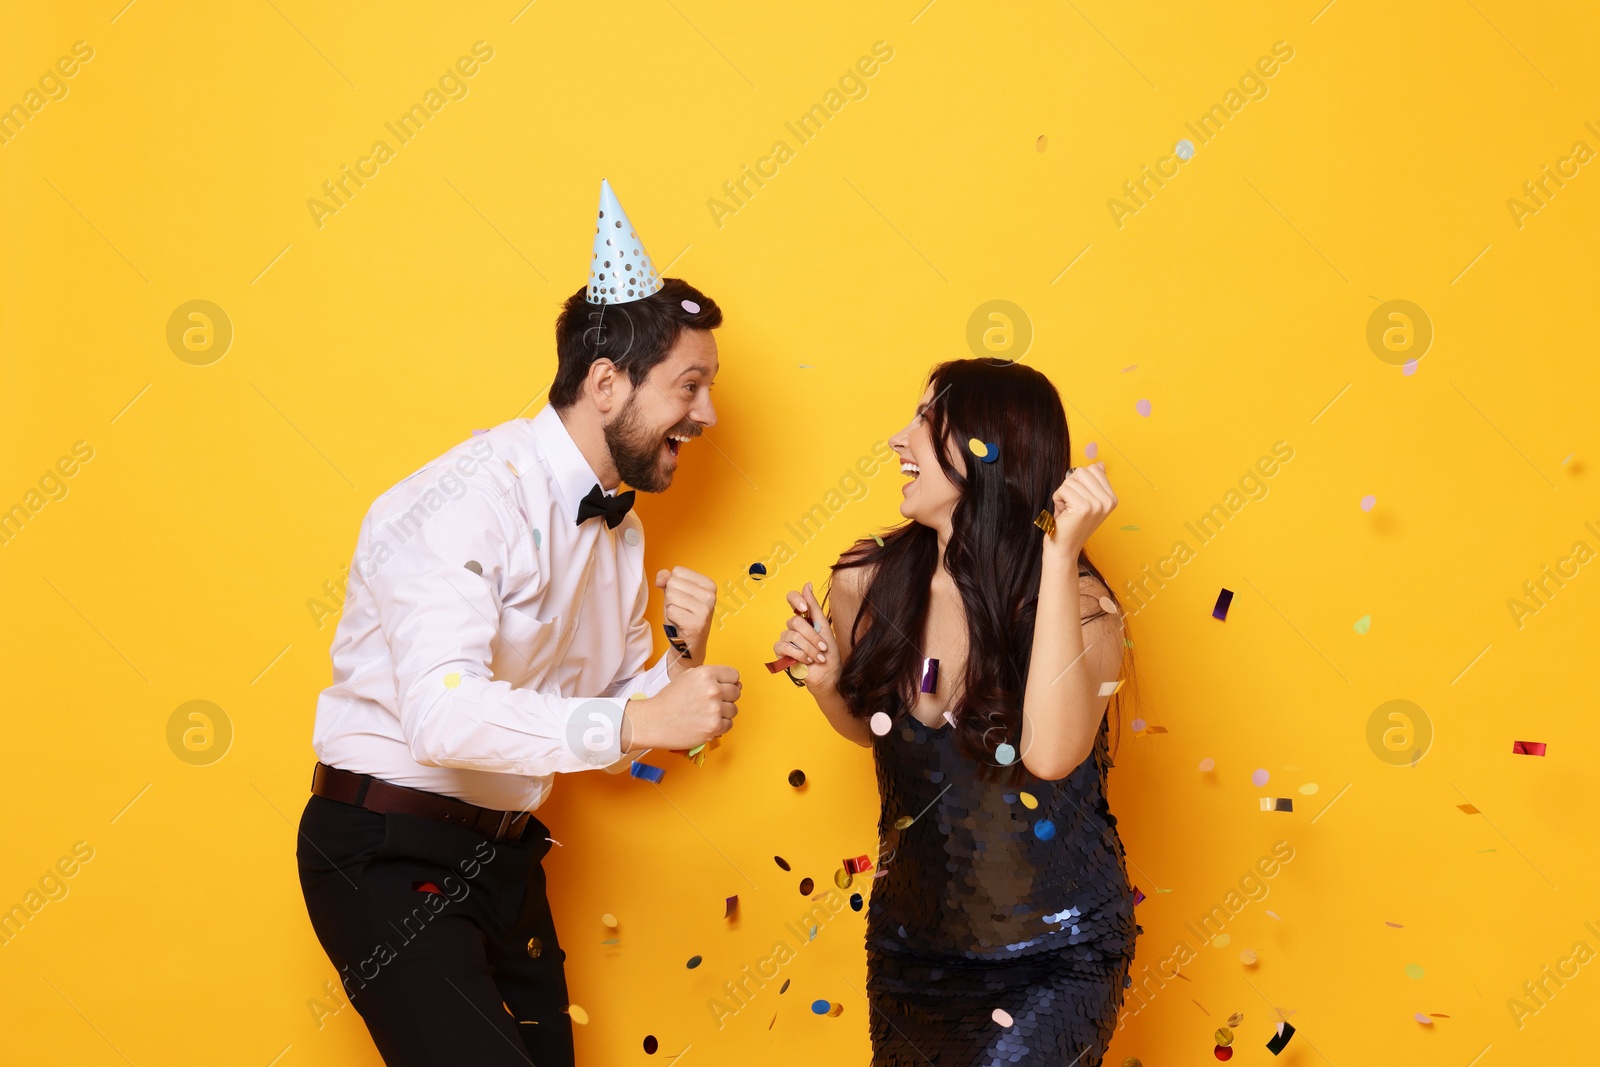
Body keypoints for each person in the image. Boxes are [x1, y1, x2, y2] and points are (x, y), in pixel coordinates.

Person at [296, 179, 741, 1067]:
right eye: (689, 385)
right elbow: (444, 715)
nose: (709, 414)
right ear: (607, 383)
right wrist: (641, 716)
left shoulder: (622, 529)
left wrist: (678, 670)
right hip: (387, 850)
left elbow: (611, 733)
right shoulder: (463, 498)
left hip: (504, 860)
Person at [772, 358, 1142, 1065]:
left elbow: (1052, 753)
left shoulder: (1085, 611)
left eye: (924, 419)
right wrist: (827, 684)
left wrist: (1060, 556)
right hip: (913, 949)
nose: (897, 439)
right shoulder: (867, 580)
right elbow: (882, 735)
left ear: (985, 449)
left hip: (1057, 955)